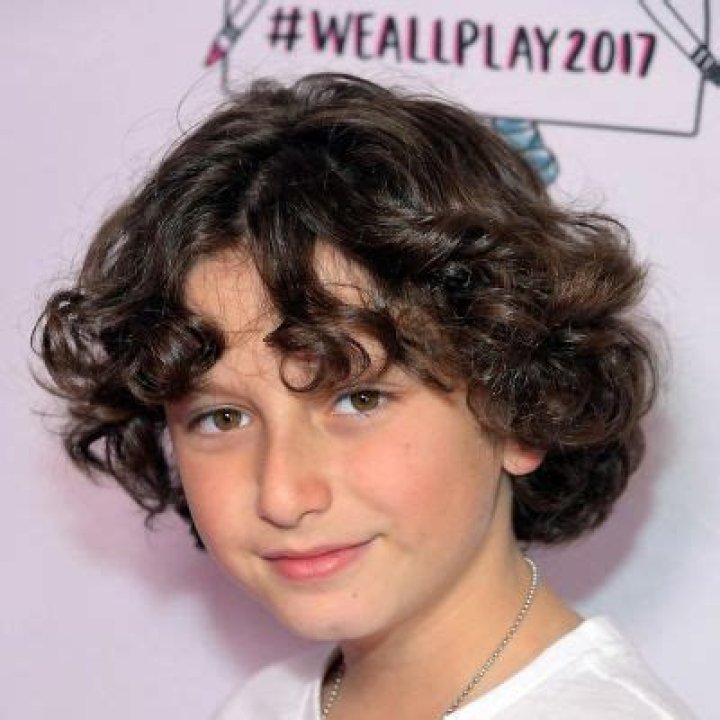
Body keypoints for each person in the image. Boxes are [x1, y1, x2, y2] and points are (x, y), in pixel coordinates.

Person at [34, 73, 692, 719]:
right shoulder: (262, 704)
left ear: (519, 410)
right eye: (222, 417)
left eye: (358, 400)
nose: (282, 495)